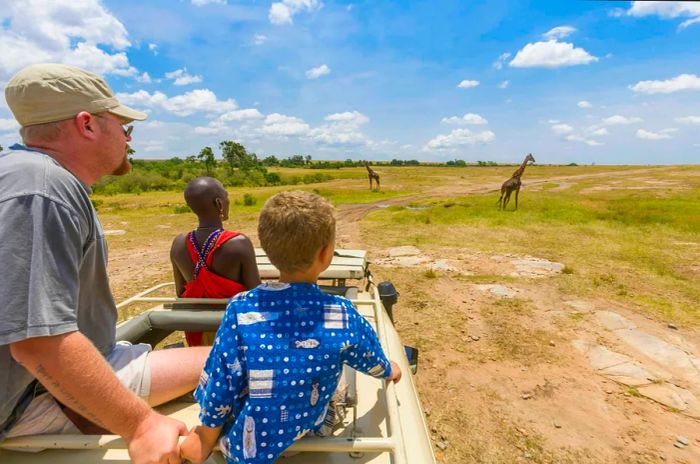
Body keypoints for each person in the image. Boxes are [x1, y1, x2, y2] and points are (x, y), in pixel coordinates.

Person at [0, 63, 210, 464]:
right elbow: (37, 343)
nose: (128, 139)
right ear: (87, 125)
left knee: (224, 355)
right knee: (246, 360)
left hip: (80, 363)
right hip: (32, 395)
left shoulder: (26, 176)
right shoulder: (42, 189)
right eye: (124, 127)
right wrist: (142, 426)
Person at [180, 190, 402, 464]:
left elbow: (222, 379)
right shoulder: (341, 312)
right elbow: (370, 358)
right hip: (313, 429)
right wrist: (390, 368)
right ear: (325, 254)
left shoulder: (240, 307)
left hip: (249, 440)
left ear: (268, 250)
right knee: (338, 375)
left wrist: (204, 437)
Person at [170, 176, 261, 346]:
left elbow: (181, 294)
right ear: (219, 203)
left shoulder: (178, 243)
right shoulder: (239, 243)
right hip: (234, 332)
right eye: (226, 198)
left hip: (198, 331)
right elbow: (254, 295)